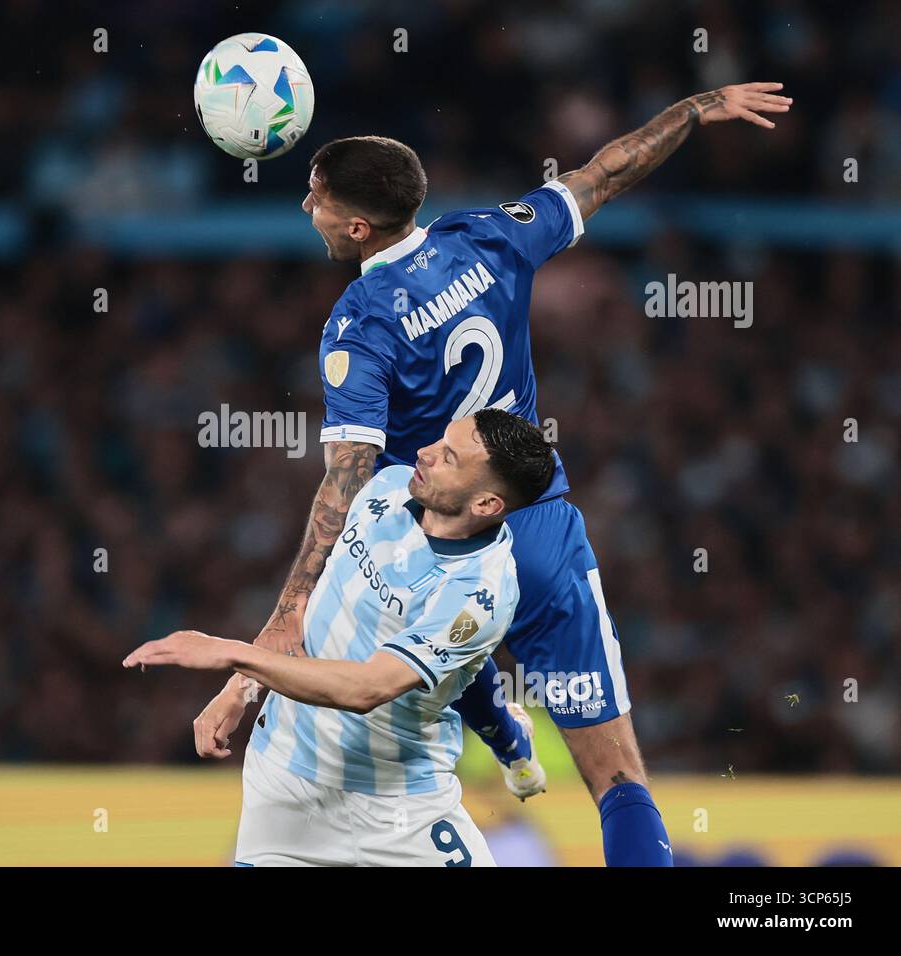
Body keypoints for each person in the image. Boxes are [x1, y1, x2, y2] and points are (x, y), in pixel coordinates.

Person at [192, 82, 792, 866]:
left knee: (403, 674)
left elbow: (346, 479)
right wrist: (694, 108)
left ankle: (488, 750)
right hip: (537, 527)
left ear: (357, 224)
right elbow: (604, 174)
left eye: (316, 198)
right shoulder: (486, 237)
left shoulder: (359, 322)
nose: (308, 209)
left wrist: (281, 620)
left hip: (430, 542)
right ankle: (518, 747)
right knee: (617, 779)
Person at [126, 410, 554, 866]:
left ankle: (508, 738)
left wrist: (232, 653)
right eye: (438, 441)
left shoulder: (480, 594)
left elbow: (367, 688)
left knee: (449, 657)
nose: (424, 453)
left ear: (487, 504)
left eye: (448, 457)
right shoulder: (387, 487)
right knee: (446, 655)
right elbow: (318, 601)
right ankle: (509, 737)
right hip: (287, 778)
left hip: (400, 803)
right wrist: (242, 686)